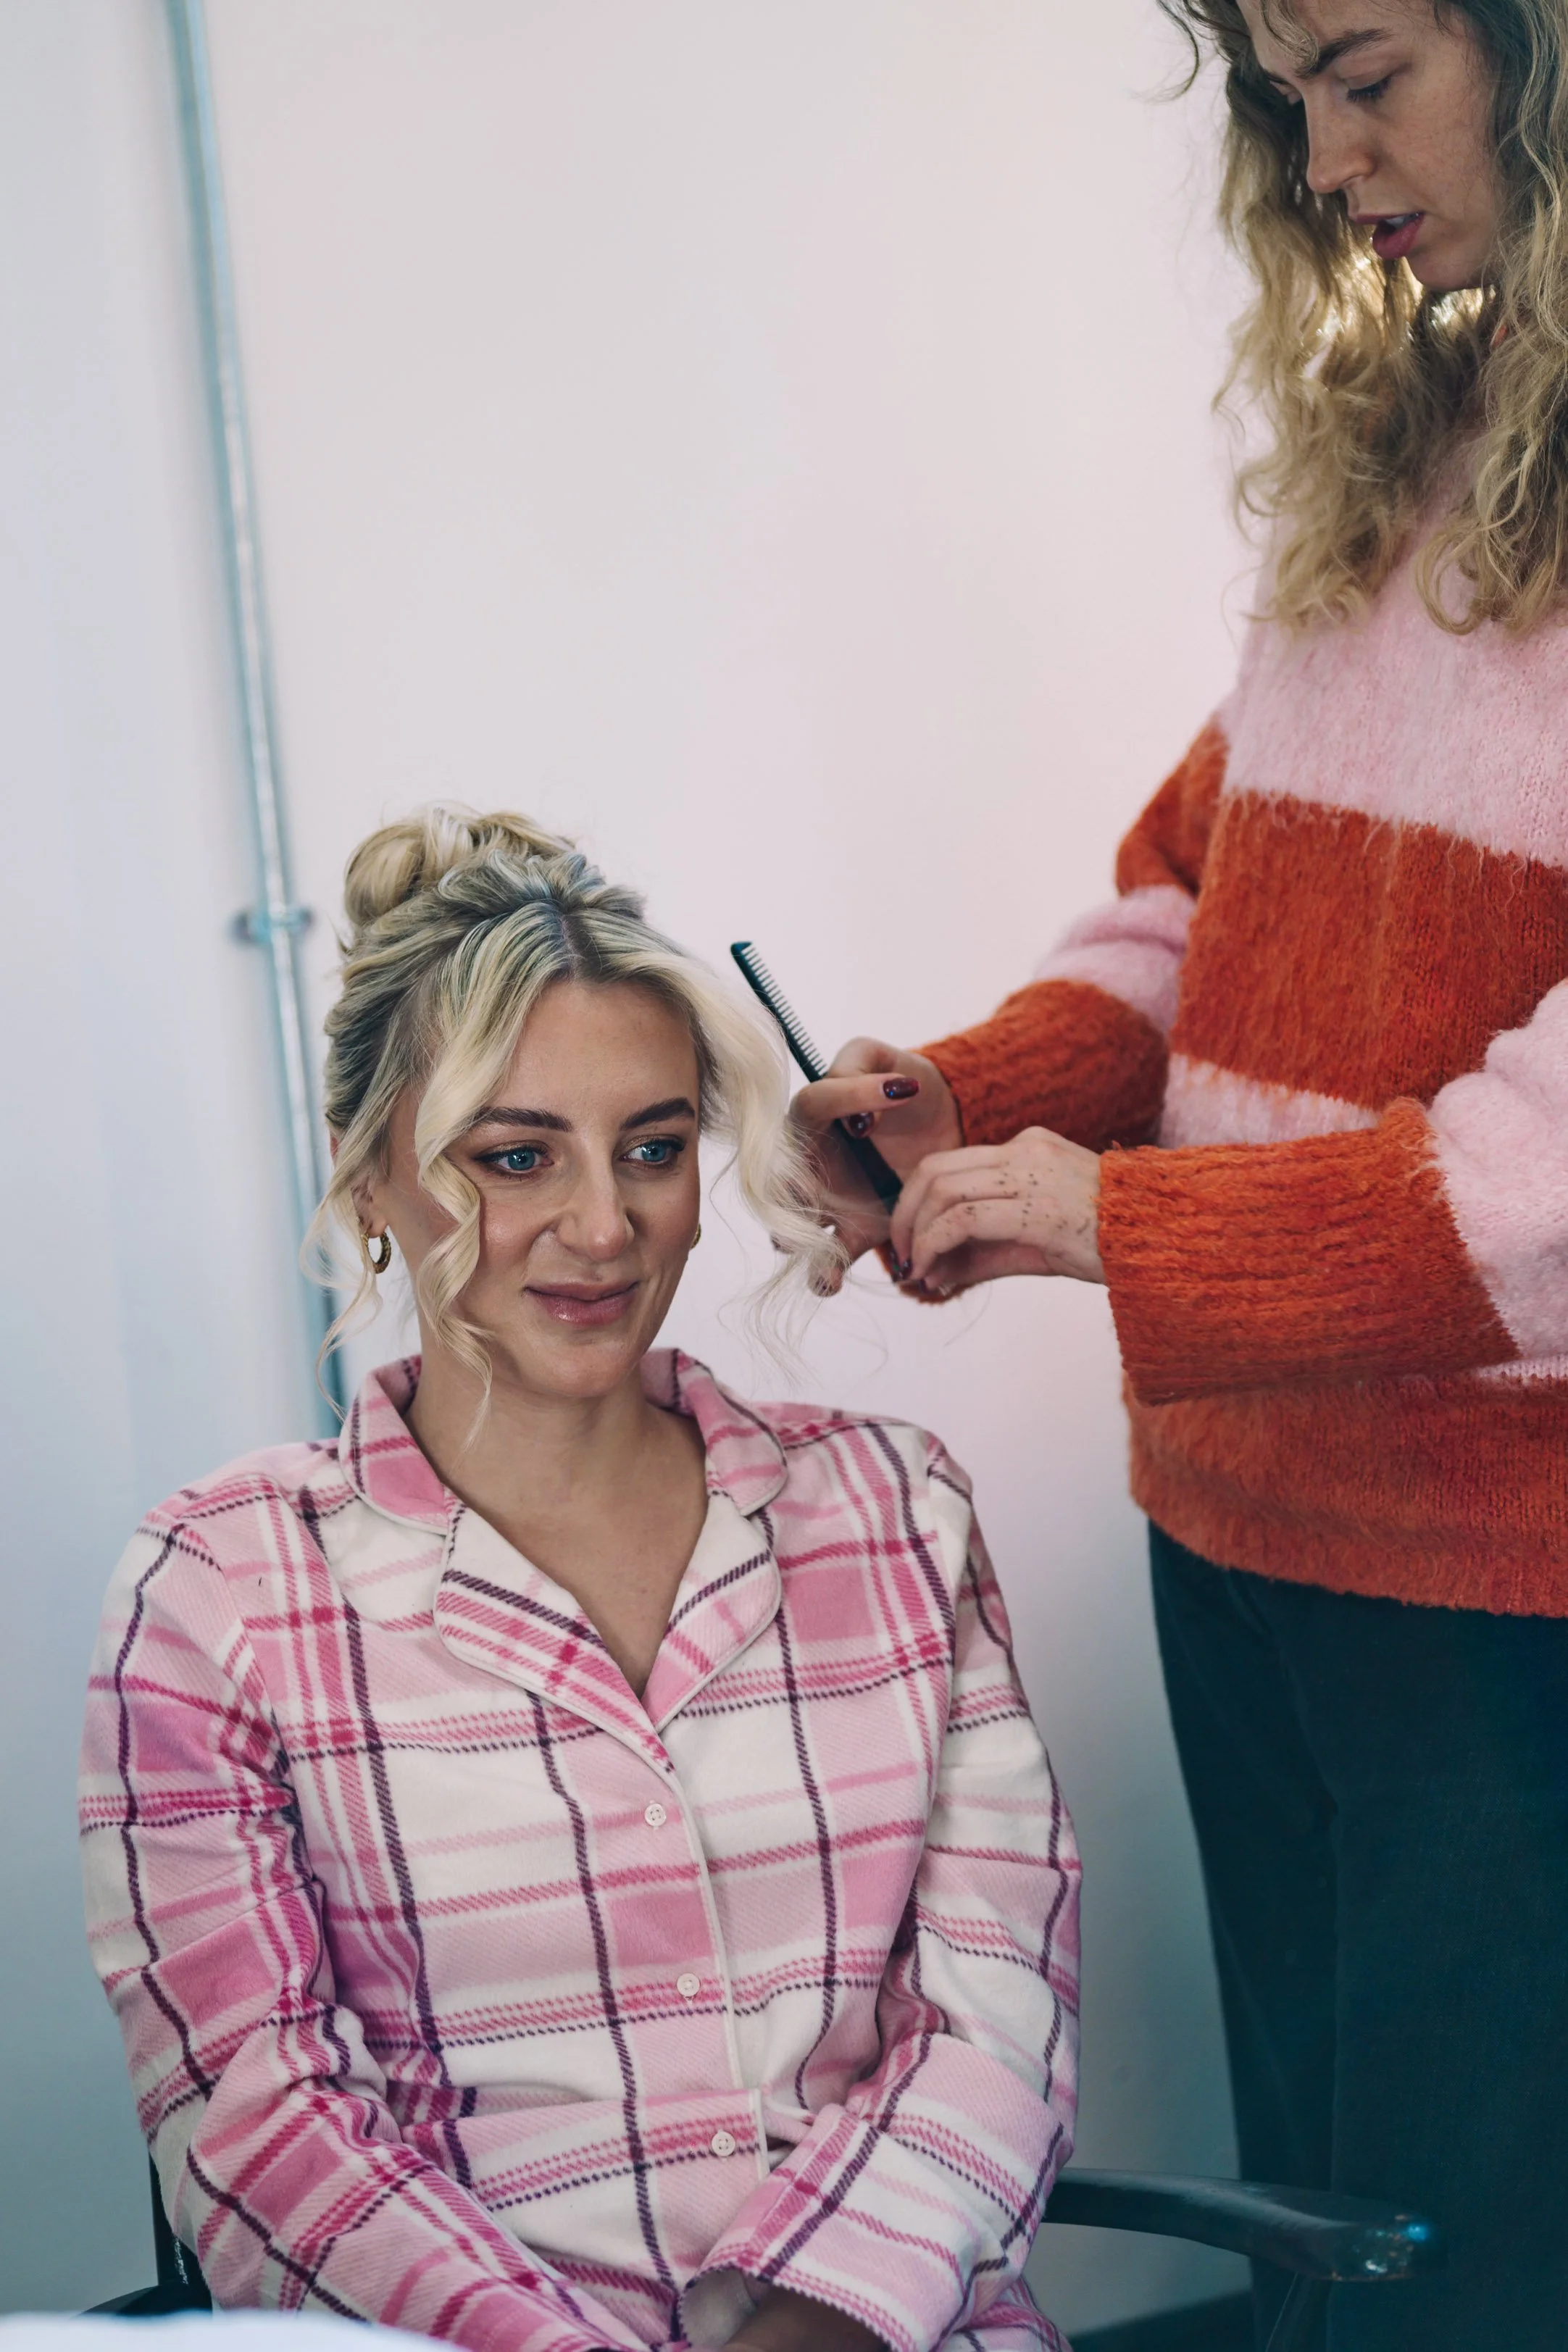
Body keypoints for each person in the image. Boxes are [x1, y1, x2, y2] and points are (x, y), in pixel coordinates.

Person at [793, 4, 1568, 2346]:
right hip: (1234, 1525)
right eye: (1275, 95)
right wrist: (972, 1097)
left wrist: (1113, 1224)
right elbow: (1196, 895)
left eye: (1363, 71)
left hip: (1491, 1591)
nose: (1321, 159)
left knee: (1463, 2280)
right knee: (1319, 2234)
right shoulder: (1422, 429)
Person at [78, 812, 1079, 2352]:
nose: (605, 1226)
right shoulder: (220, 1589)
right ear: (371, 1178)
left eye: (654, 1149)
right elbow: (261, 2129)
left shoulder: (893, 1509)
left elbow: (995, 2020)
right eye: (515, 1157)